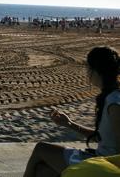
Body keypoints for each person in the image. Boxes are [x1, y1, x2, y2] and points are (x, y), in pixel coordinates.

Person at [23, 46, 120, 177]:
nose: (87, 72)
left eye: (88, 68)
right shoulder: (110, 97)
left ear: (97, 71)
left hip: (104, 164)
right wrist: (69, 123)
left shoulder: (114, 103)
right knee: (42, 170)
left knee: (41, 149)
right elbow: (102, 138)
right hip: (100, 159)